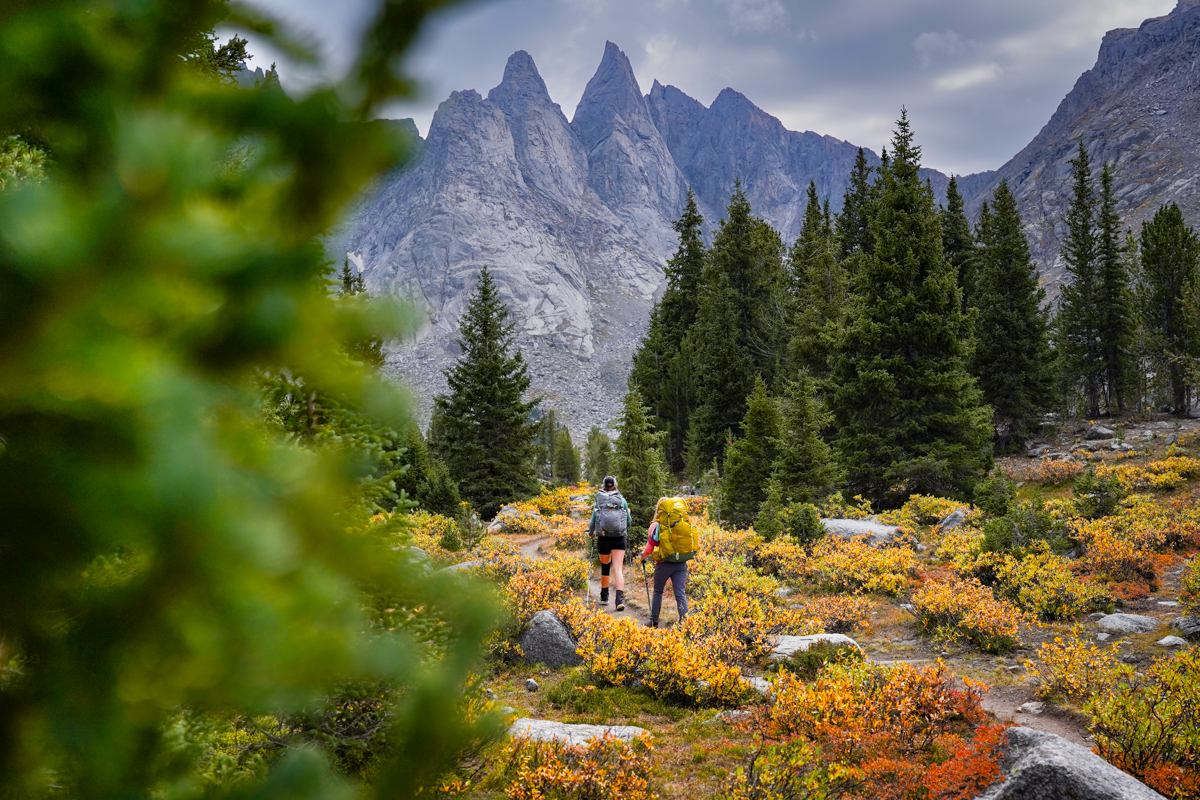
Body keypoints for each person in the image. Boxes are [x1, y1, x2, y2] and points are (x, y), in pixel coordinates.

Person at [640, 498, 689, 628]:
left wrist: (642, 556)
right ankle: (686, 623)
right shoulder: (681, 522)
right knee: (680, 593)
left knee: (658, 591)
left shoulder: (656, 525)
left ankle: (654, 621)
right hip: (681, 562)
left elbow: (649, 549)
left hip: (664, 563)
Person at [588, 475, 631, 610]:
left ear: (603, 486)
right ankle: (619, 600)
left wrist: (591, 533)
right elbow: (628, 521)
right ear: (615, 486)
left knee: (605, 566)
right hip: (618, 538)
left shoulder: (599, 501)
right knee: (618, 569)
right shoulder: (622, 500)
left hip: (603, 538)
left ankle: (604, 596)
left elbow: (593, 521)